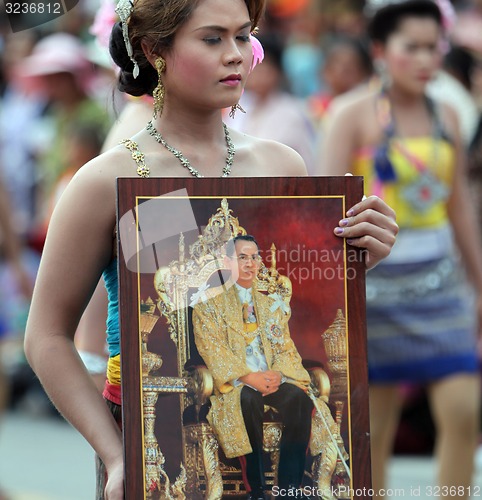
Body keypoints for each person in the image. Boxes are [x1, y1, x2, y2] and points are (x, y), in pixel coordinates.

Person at [23, 1, 398, 499]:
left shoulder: (279, 166)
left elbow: (298, 306)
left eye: (243, 37)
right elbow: (45, 336)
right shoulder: (107, 180)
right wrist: (116, 455)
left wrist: (353, 260)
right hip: (157, 436)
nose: (235, 55)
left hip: (275, 390)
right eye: (212, 38)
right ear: (154, 50)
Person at [317, 1, 482, 497]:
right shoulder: (350, 114)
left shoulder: (449, 114)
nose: (426, 59)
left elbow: (459, 210)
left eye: (435, 47)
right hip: (376, 284)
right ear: (381, 51)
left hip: (441, 282)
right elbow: (323, 207)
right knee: (374, 428)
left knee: (464, 410)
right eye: (412, 47)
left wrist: (480, 285)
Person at [192, 235, 337, 499]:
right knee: (247, 400)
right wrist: (248, 376)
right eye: (242, 257)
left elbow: (285, 347)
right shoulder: (207, 306)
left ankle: (289, 486)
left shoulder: (272, 306)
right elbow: (212, 349)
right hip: (235, 385)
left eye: (254, 257)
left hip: (271, 380)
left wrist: (279, 373)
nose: (250, 263)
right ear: (227, 262)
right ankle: (256, 489)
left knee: (298, 399)